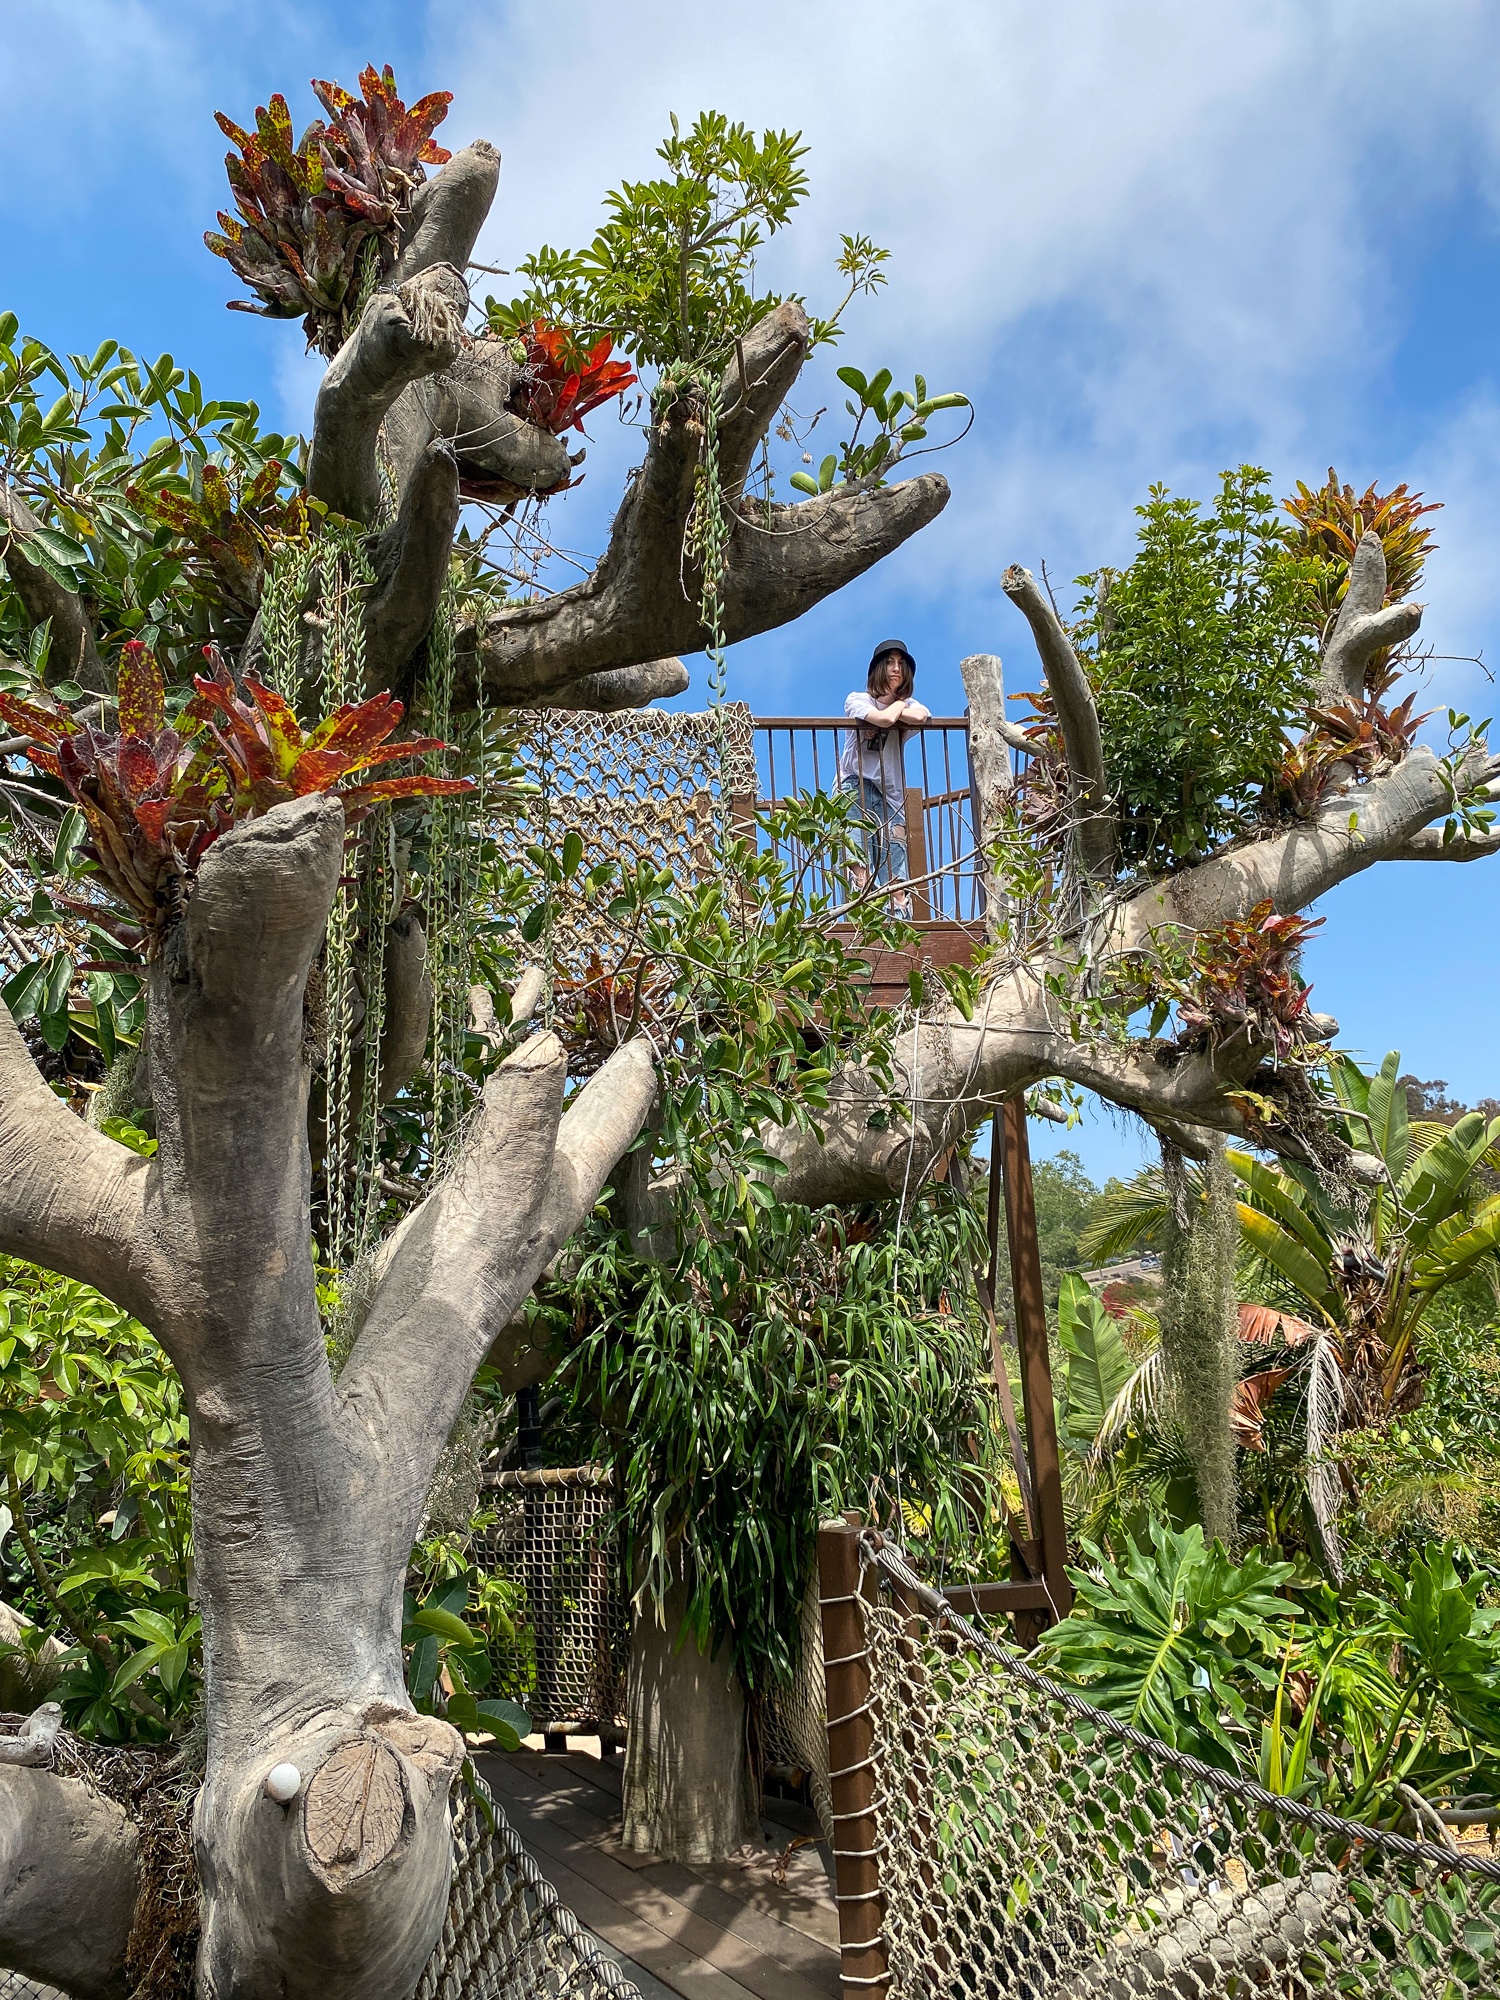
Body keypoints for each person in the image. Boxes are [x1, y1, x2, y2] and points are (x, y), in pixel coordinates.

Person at [839, 639, 930, 914]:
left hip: (890, 790)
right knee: (857, 846)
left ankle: (900, 917)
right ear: (879, 668)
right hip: (856, 782)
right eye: (890, 662)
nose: (896, 668)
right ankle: (863, 913)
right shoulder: (857, 699)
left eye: (901, 663)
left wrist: (899, 705)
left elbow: (924, 715)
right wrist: (899, 709)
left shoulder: (910, 704)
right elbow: (884, 721)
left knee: (895, 853)